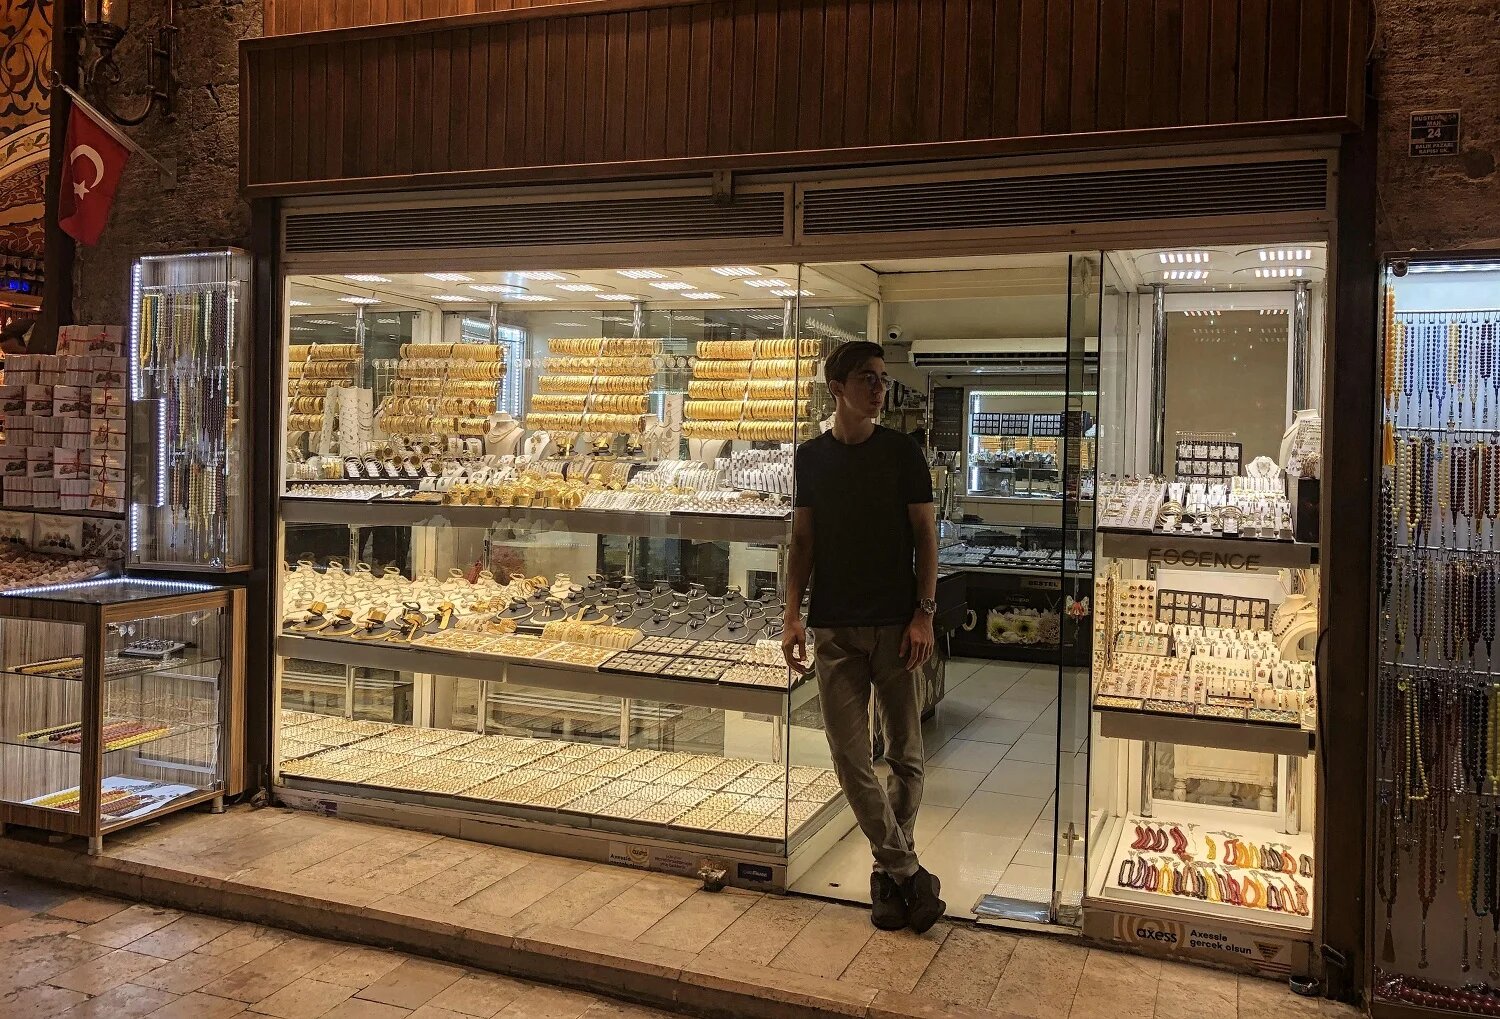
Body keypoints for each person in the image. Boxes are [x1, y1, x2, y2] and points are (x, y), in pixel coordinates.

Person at [783, 340, 945, 933]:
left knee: (906, 755)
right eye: (866, 378)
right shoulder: (810, 458)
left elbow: (925, 536)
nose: (878, 388)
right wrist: (791, 615)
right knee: (850, 758)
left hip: (897, 624)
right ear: (837, 388)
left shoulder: (903, 453)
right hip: (834, 627)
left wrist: (924, 613)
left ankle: (887, 875)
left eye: (881, 378)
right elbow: (803, 542)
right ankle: (907, 872)